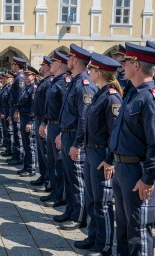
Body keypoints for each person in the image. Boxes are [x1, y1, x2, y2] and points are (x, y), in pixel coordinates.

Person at [73, 53, 123, 255]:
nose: (89, 72)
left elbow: (114, 133)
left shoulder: (111, 97)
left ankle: (105, 246)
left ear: (99, 72)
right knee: (93, 198)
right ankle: (93, 237)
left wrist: (110, 160)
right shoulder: (99, 94)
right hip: (91, 151)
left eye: (91, 69)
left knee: (102, 203)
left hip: (102, 155)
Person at [109, 43, 155, 256]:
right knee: (124, 225)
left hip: (137, 171)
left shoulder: (149, 97)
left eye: (125, 61)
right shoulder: (131, 93)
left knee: (138, 227)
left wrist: (148, 178)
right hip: (122, 168)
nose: (121, 65)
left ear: (136, 65)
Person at [54, 44, 98, 230]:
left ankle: (79, 217)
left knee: (77, 178)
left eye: (70, 58)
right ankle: (71, 210)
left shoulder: (84, 85)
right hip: (66, 135)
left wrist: (78, 144)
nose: (68, 61)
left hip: (75, 138)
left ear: (75, 60)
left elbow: (84, 118)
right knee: (69, 175)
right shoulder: (75, 81)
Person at [39, 50, 70, 207]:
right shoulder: (55, 81)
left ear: (60, 64)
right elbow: (48, 106)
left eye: (53, 62)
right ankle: (54, 192)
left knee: (59, 163)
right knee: (51, 162)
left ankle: (60, 196)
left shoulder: (64, 82)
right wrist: (44, 123)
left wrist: (61, 131)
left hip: (58, 125)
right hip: (51, 124)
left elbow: (66, 110)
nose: (50, 65)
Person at [30, 56, 54, 191]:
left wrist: (44, 122)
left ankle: (49, 180)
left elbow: (48, 105)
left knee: (46, 152)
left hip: (44, 120)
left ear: (47, 67)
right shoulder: (45, 81)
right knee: (41, 151)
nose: (41, 68)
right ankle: (44, 176)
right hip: (39, 118)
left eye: (43, 65)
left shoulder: (49, 81)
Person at [17, 66, 39, 177]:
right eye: (25, 75)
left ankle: (32, 168)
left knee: (30, 144)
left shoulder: (34, 88)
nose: (26, 76)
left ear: (34, 76)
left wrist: (31, 121)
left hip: (29, 118)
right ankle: (26, 166)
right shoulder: (27, 87)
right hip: (23, 117)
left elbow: (34, 106)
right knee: (26, 143)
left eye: (28, 75)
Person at [8, 57, 26, 166]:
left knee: (18, 134)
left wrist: (17, 110)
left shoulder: (19, 78)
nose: (12, 67)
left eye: (13, 65)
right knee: (15, 133)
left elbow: (20, 95)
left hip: (16, 108)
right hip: (14, 107)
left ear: (16, 65)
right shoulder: (17, 77)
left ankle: (19, 156)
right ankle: (16, 154)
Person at [0, 71, 15, 157]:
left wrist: (9, 114)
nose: (5, 79)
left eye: (7, 78)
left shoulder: (11, 88)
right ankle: (8, 147)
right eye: (5, 78)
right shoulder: (6, 87)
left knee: (9, 130)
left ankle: (10, 149)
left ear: (12, 79)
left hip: (8, 110)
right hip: (4, 110)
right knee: (6, 130)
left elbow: (10, 102)